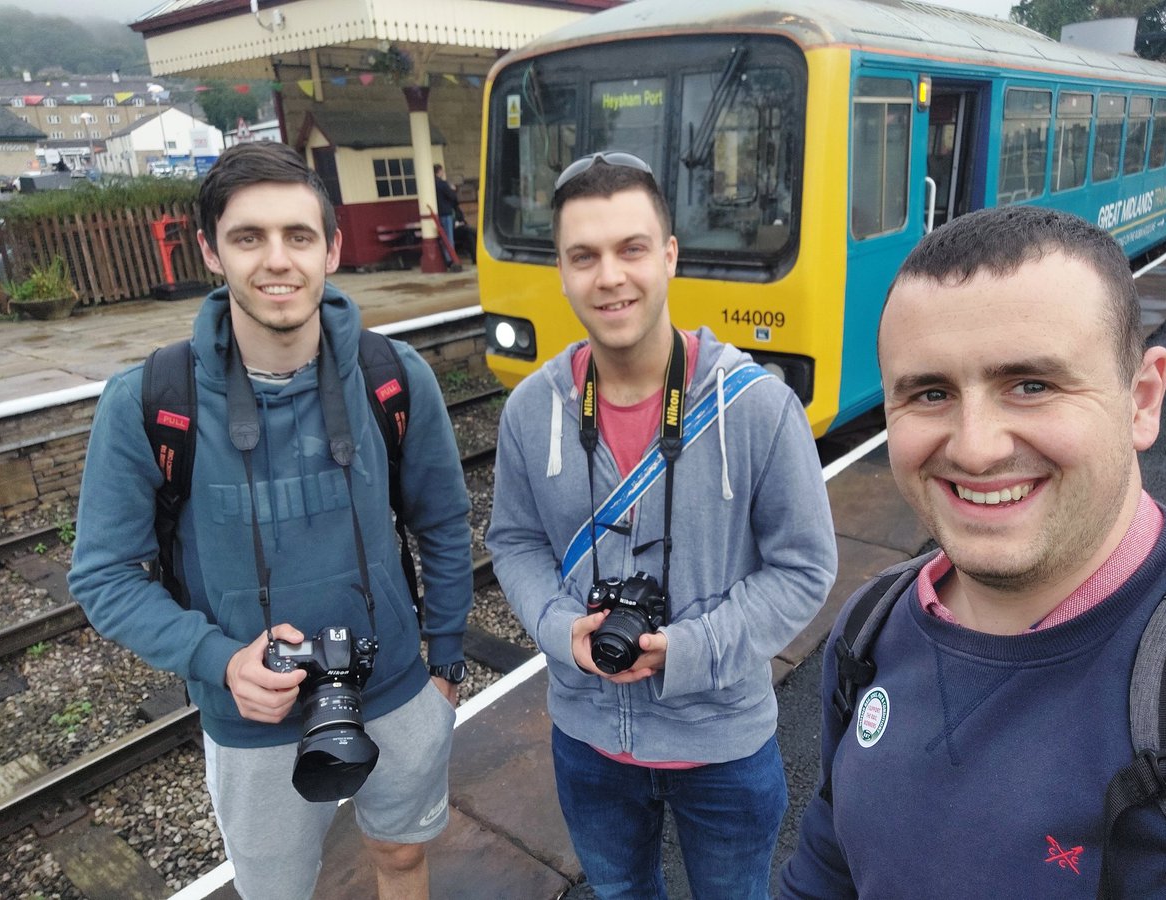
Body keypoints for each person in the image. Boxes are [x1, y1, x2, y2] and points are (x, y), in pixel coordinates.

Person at [68, 141, 474, 900]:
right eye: (248, 237)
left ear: (332, 249)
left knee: (402, 858)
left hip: (395, 691)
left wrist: (445, 664)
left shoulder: (393, 377)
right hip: (250, 723)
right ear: (210, 252)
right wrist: (219, 660)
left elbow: (444, 523)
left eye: (298, 235)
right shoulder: (148, 401)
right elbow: (104, 576)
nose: (277, 260)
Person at [779, 206, 1166, 897]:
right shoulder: (869, 626)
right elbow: (829, 859)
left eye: (1032, 386)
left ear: (1142, 399)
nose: (975, 448)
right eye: (930, 393)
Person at [486, 151, 837, 899]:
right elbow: (513, 541)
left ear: (670, 256)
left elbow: (804, 566)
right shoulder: (531, 411)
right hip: (587, 741)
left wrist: (690, 650)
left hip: (724, 746)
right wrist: (560, 630)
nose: (610, 276)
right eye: (585, 256)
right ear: (562, 271)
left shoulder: (758, 408)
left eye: (632, 248)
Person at [434, 163, 461, 270]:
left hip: (438, 213)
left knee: (443, 237)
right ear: (439, 171)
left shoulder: (432, 184)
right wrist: (453, 189)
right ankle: (451, 259)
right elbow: (452, 197)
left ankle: (447, 258)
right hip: (446, 212)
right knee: (449, 237)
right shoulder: (443, 184)